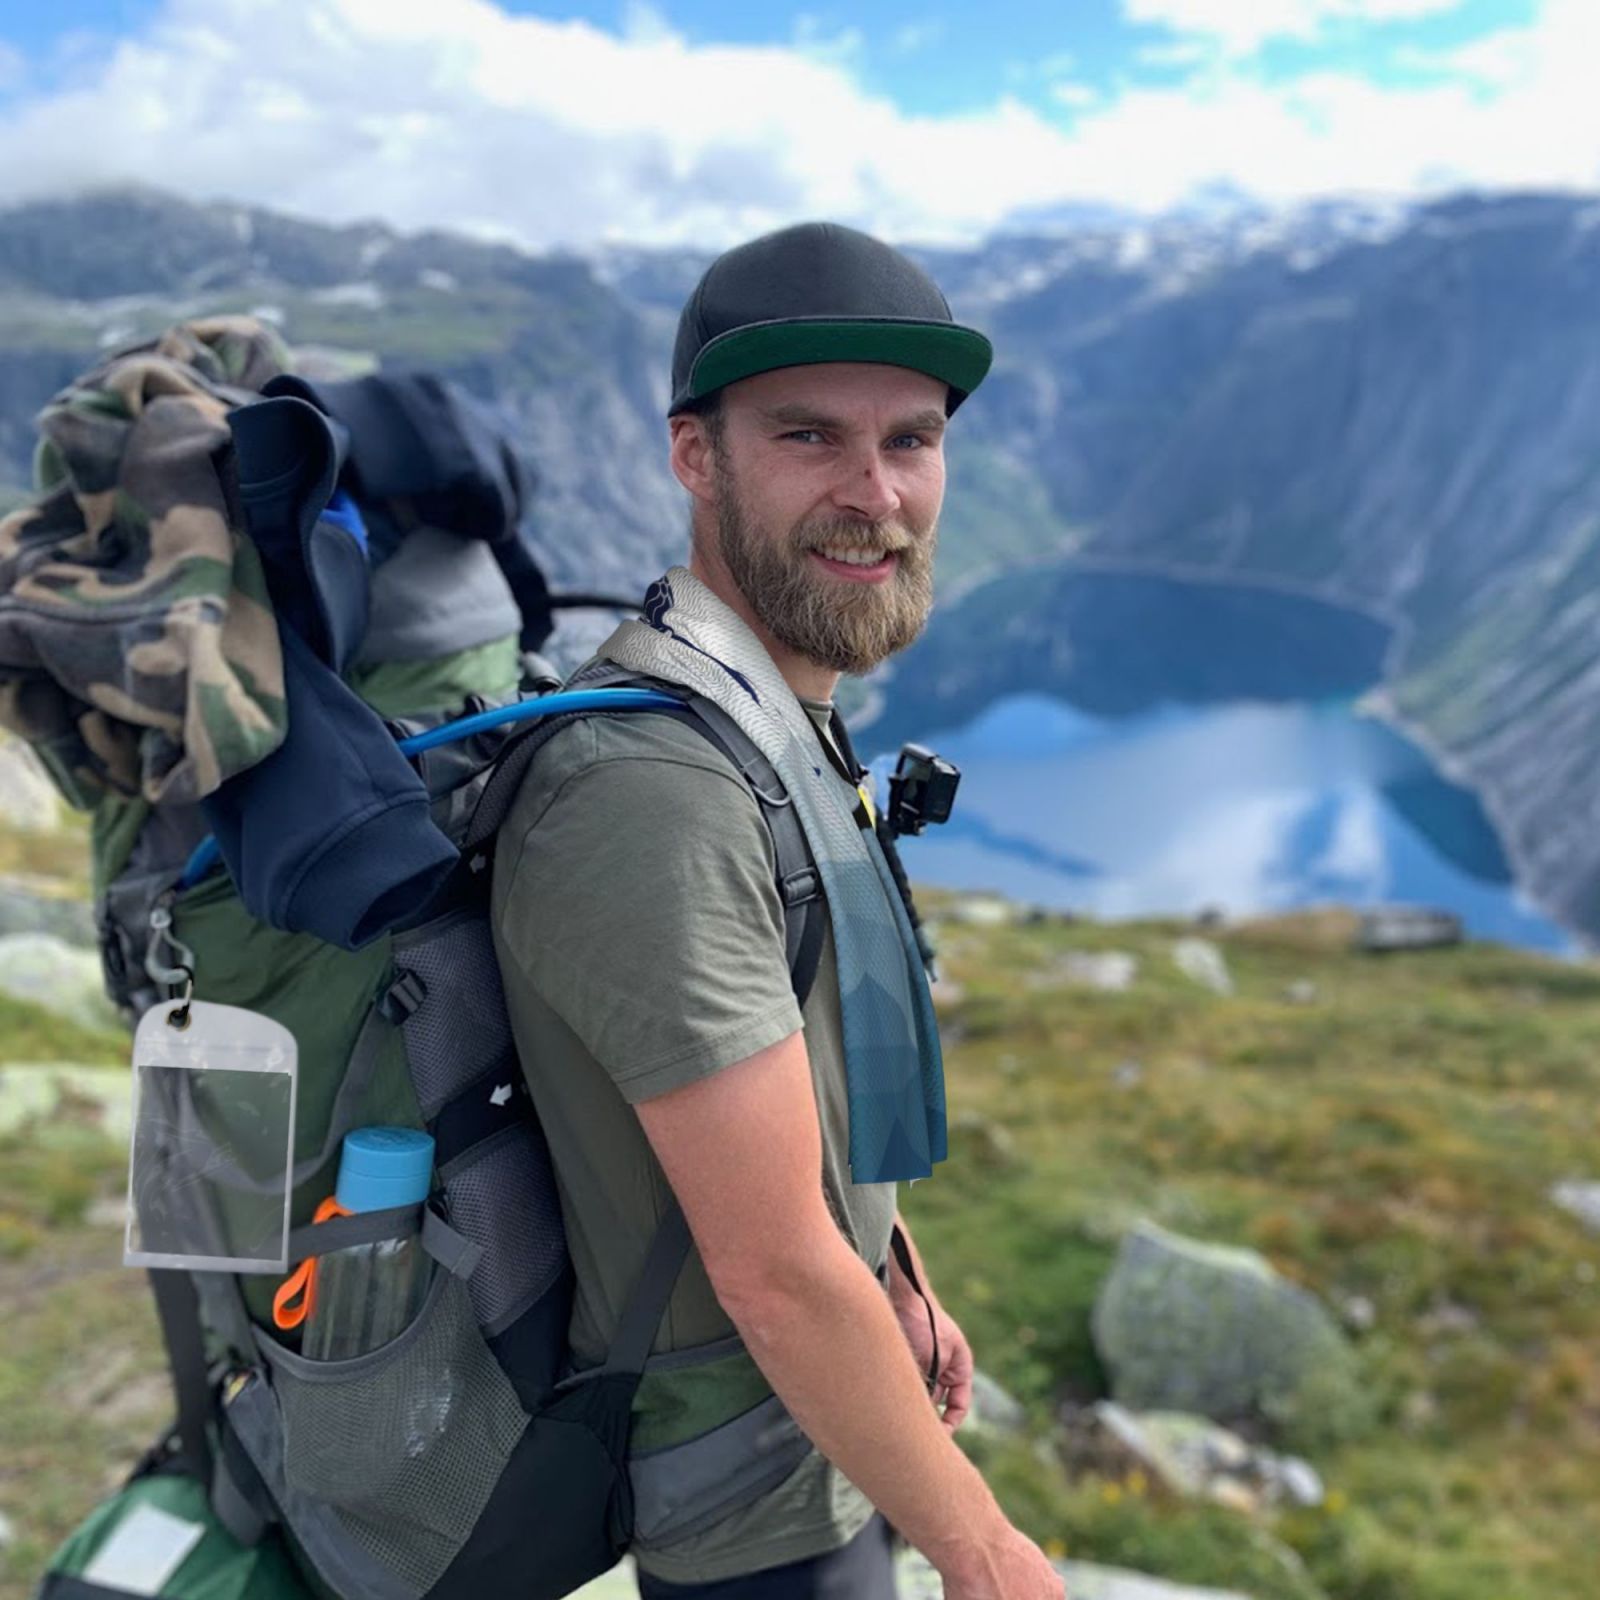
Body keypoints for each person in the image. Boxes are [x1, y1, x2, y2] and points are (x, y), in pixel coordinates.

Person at [490, 222, 1066, 1600]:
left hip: (821, 1433)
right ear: (697, 456)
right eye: (810, 438)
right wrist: (985, 1555)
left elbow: (804, 1069)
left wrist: (903, 1274)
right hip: (743, 1501)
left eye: (913, 442)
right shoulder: (656, 795)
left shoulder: (767, 715)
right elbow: (771, 1272)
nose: (877, 494)